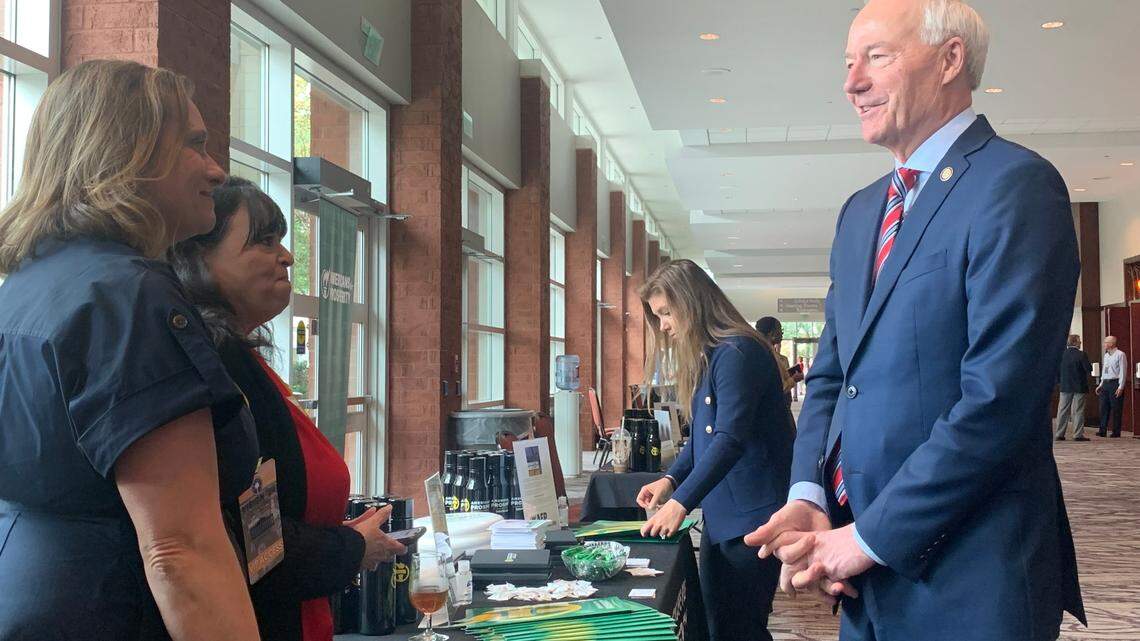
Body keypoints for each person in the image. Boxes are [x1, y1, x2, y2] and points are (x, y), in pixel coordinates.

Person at [743, 1, 1086, 640]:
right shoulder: (860, 212)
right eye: (849, 64)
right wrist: (810, 496)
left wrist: (870, 537)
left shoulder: (1015, 185)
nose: (852, 83)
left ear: (951, 59)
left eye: (877, 57)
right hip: (865, 577)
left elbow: (999, 403)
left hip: (970, 577)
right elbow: (831, 378)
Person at [0, 60, 260, 640]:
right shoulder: (127, 295)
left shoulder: (23, 288)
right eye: (195, 144)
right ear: (130, 154)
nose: (217, 170)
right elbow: (179, 551)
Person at [170, 177, 406, 641]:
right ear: (199, 257)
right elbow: (250, 539)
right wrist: (350, 547)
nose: (288, 256)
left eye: (281, 239)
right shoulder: (216, 366)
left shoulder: (246, 359)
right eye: (263, 241)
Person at [634, 260, 794, 641]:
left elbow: (729, 439)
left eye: (666, 313)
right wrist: (671, 480)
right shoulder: (714, 354)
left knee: (739, 628)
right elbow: (705, 440)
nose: (664, 326)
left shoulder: (739, 352)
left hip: (753, 517)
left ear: (691, 303)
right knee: (717, 624)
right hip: (726, 516)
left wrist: (681, 503)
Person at [755, 316, 802, 407]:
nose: (782, 333)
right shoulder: (766, 356)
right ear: (772, 333)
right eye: (780, 329)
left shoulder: (771, 354)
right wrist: (794, 379)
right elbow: (778, 388)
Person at [1055, 335, 1092, 442]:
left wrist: (1059, 382)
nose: (1080, 342)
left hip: (1065, 386)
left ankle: (1059, 433)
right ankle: (1077, 434)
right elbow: (1088, 369)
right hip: (1079, 386)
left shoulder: (1061, 355)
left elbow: (1057, 371)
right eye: (1079, 341)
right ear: (1075, 343)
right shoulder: (1081, 354)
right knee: (1078, 410)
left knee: (1062, 410)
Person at [1096, 335, 1128, 438]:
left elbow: (1123, 371)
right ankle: (1102, 430)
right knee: (1103, 407)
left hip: (1115, 383)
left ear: (1112, 344)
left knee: (1116, 408)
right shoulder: (1106, 355)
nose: (1104, 344)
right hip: (1105, 383)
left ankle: (1116, 431)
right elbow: (1105, 371)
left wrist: (1121, 387)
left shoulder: (1120, 354)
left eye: (1106, 342)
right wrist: (1101, 384)